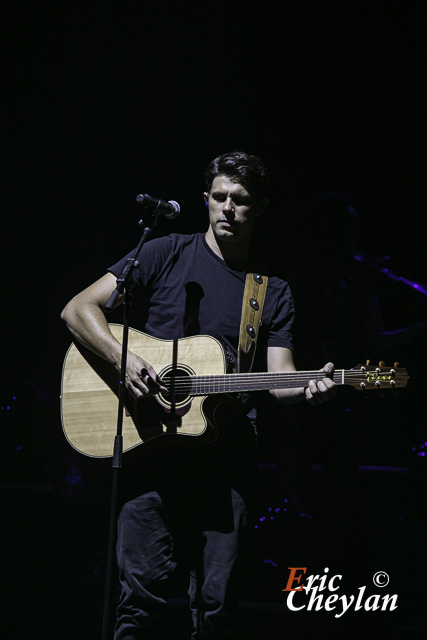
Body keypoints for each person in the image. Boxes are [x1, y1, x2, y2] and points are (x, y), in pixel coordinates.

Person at [61, 150, 336, 639]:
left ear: (261, 208)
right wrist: (122, 359)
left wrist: (314, 387)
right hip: (148, 455)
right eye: (220, 197)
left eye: (242, 200)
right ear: (206, 199)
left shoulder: (269, 291)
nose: (229, 208)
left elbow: (281, 379)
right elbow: (78, 309)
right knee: (138, 607)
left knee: (216, 611)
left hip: (225, 464)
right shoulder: (163, 252)